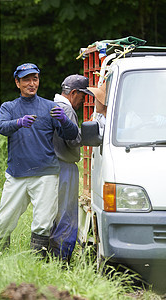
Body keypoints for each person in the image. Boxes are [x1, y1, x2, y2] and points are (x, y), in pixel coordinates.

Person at [0, 63, 79, 257]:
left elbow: (72, 135)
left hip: (46, 173)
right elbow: (2, 127)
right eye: (26, 80)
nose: (32, 83)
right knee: (3, 221)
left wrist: (65, 121)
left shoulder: (50, 107)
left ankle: (36, 265)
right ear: (17, 83)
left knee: (43, 223)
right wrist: (18, 123)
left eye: (35, 79)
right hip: (17, 174)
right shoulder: (9, 107)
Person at [49, 74, 94, 263]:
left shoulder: (52, 104)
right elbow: (73, 140)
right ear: (73, 93)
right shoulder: (66, 109)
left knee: (54, 214)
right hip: (65, 167)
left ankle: (50, 258)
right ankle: (62, 261)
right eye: (82, 97)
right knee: (66, 215)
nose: (83, 101)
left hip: (53, 166)